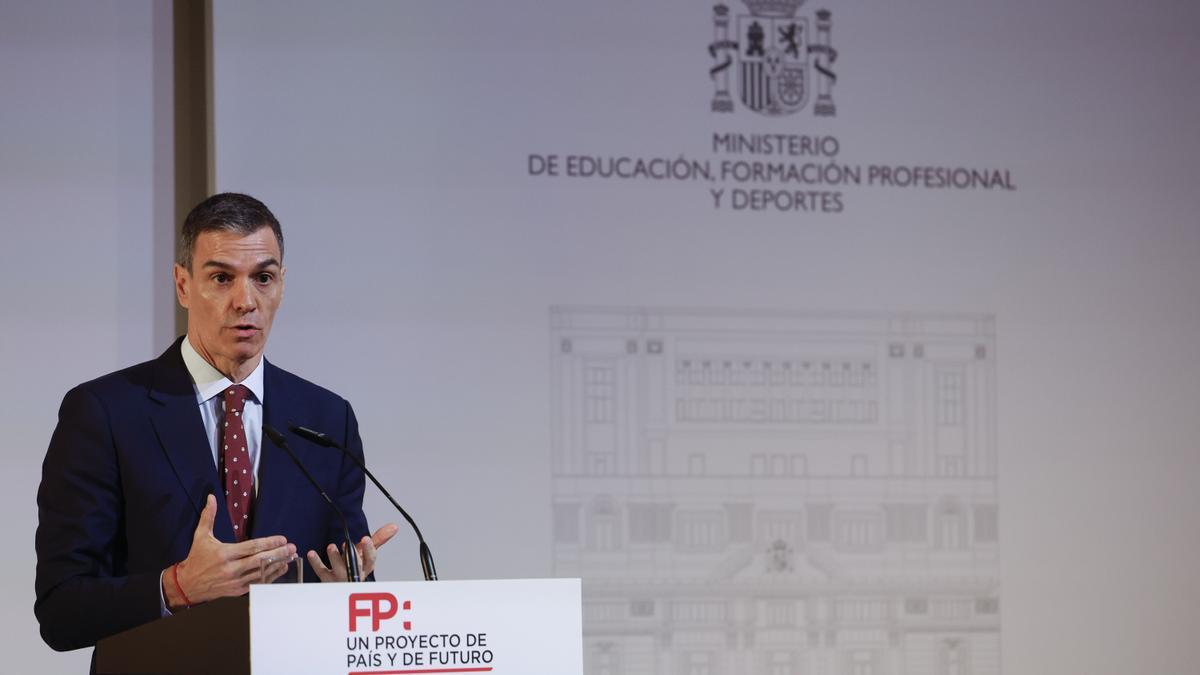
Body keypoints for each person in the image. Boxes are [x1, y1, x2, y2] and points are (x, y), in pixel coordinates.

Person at [34, 193, 399, 653]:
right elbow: (60, 610)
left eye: (263, 278)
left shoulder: (327, 418)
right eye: (222, 278)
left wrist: (347, 593)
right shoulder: (105, 412)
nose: (245, 301)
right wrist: (177, 587)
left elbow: (342, 575)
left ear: (282, 285)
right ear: (183, 285)